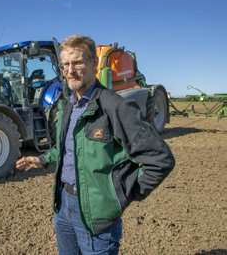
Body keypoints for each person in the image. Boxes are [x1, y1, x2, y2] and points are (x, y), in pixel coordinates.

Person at [16, 35, 175, 254]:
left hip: (98, 215)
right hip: (63, 206)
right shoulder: (66, 106)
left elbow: (160, 158)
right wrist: (41, 159)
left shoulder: (116, 107)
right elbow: (68, 147)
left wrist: (121, 195)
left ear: (94, 63)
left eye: (78, 62)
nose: (70, 70)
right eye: (65, 64)